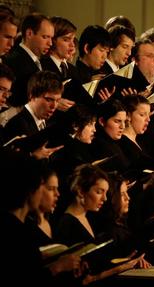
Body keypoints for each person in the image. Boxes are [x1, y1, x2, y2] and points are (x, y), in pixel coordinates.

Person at [0, 150, 82, 285]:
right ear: (30, 189)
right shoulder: (12, 230)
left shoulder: (25, 224)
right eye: (42, 186)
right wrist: (58, 267)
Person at [54, 163, 142, 285]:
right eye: (99, 192)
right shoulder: (68, 225)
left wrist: (124, 260)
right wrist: (121, 267)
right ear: (80, 191)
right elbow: (79, 279)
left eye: (106, 193)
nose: (105, 199)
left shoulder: (87, 218)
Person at [4, 70, 64, 159]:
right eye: (49, 100)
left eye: (58, 101)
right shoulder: (17, 124)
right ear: (32, 96)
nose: (54, 106)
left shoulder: (48, 122)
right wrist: (33, 157)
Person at [4, 13, 53, 107]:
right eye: (45, 37)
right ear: (29, 34)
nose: (50, 43)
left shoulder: (44, 62)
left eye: (51, 38)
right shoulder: (14, 61)